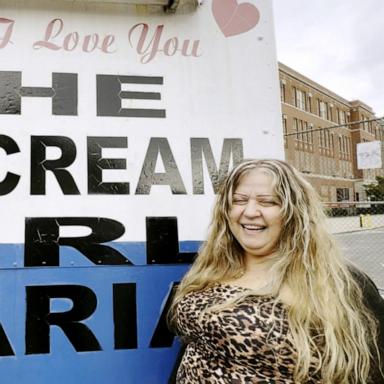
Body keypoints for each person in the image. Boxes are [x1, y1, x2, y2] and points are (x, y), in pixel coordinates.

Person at [169, 159, 384, 384]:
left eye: (268, 202)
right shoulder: (212, 267)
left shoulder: (340, 284)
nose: (250, 211)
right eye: (239, 200)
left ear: (294, 212)